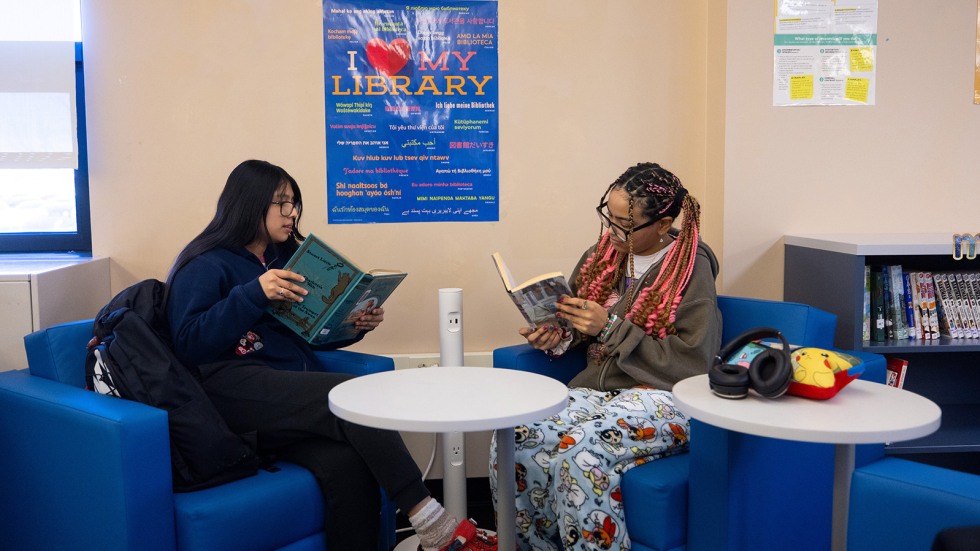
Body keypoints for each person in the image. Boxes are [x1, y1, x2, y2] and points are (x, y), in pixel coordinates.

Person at [166, 159, 496, 551]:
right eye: (282, 204)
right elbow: (187, 341)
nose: (292, 214)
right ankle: (432, 522)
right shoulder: (206, 263)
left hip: (279, 398)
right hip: (226, 392)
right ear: (249, 203)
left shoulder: (282, 260)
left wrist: (352, 325)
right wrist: (254, 292)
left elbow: (304, 335)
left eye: (295, 205)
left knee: (347, 464)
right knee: (355, 394)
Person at [489, 162, 722, 550]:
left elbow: (693, 363)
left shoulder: (690, 269)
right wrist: (556, 336)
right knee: (515, 436)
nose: (611, 232)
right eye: (608, 218)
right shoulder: (602, 256)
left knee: (580, 454)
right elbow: (583, 330)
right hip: (597, 394)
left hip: (664, 397)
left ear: (663, 225)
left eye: (624, 224)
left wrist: (610, 327)